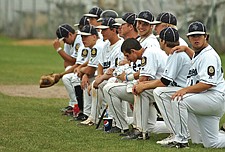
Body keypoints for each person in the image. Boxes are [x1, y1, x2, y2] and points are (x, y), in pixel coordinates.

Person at [166, 21, 225, 148]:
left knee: (179, 100)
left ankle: (181, 141)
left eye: (199, 35)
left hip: (213, 98)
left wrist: (185, 90)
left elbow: (207, 84)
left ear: (206, 37)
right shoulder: (200, 54)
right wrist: (187, 49)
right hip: (206, 101)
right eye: (193, 36)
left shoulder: (208, 55)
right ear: (188, 38)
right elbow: (198, 60)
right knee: (211, 143)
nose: (196, 39)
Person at [132, 27, 191, 141]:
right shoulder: (174, 54)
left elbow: (164, 82)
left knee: (159, 92)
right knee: (145, 91)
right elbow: (164, 80)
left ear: (163, 41)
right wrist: (143, 85)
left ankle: (175, 134)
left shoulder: (176, 54)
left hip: (184, 90)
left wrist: (143, 85)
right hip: (178, 87)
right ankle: (142, 130)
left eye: (160, 40)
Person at [103, 37, 167, 136]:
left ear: (133, 51)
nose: (127, 59)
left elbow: (143, 79)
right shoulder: (149, 51)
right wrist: (129, 78)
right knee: (151, 127)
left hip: (160, 89)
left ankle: (132, 128)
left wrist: (132, 83)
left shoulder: (148, 54)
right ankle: (138, 128)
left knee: (109, 89)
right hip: (157, 88)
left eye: (127, 56)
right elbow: (142, 74)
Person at [80, 17, 124, 126]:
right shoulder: (105, 45)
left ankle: (108, 118)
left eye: (105, 29)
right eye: (101, 29)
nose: (102, 32)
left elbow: (115, 69)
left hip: (116, 77)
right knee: (96, 84)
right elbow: (100, 63)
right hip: (105, 76)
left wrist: (100, 78)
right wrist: (99, 76)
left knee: (100, 84)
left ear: (114, 30)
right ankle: (93, 117)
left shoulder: (120, 45)